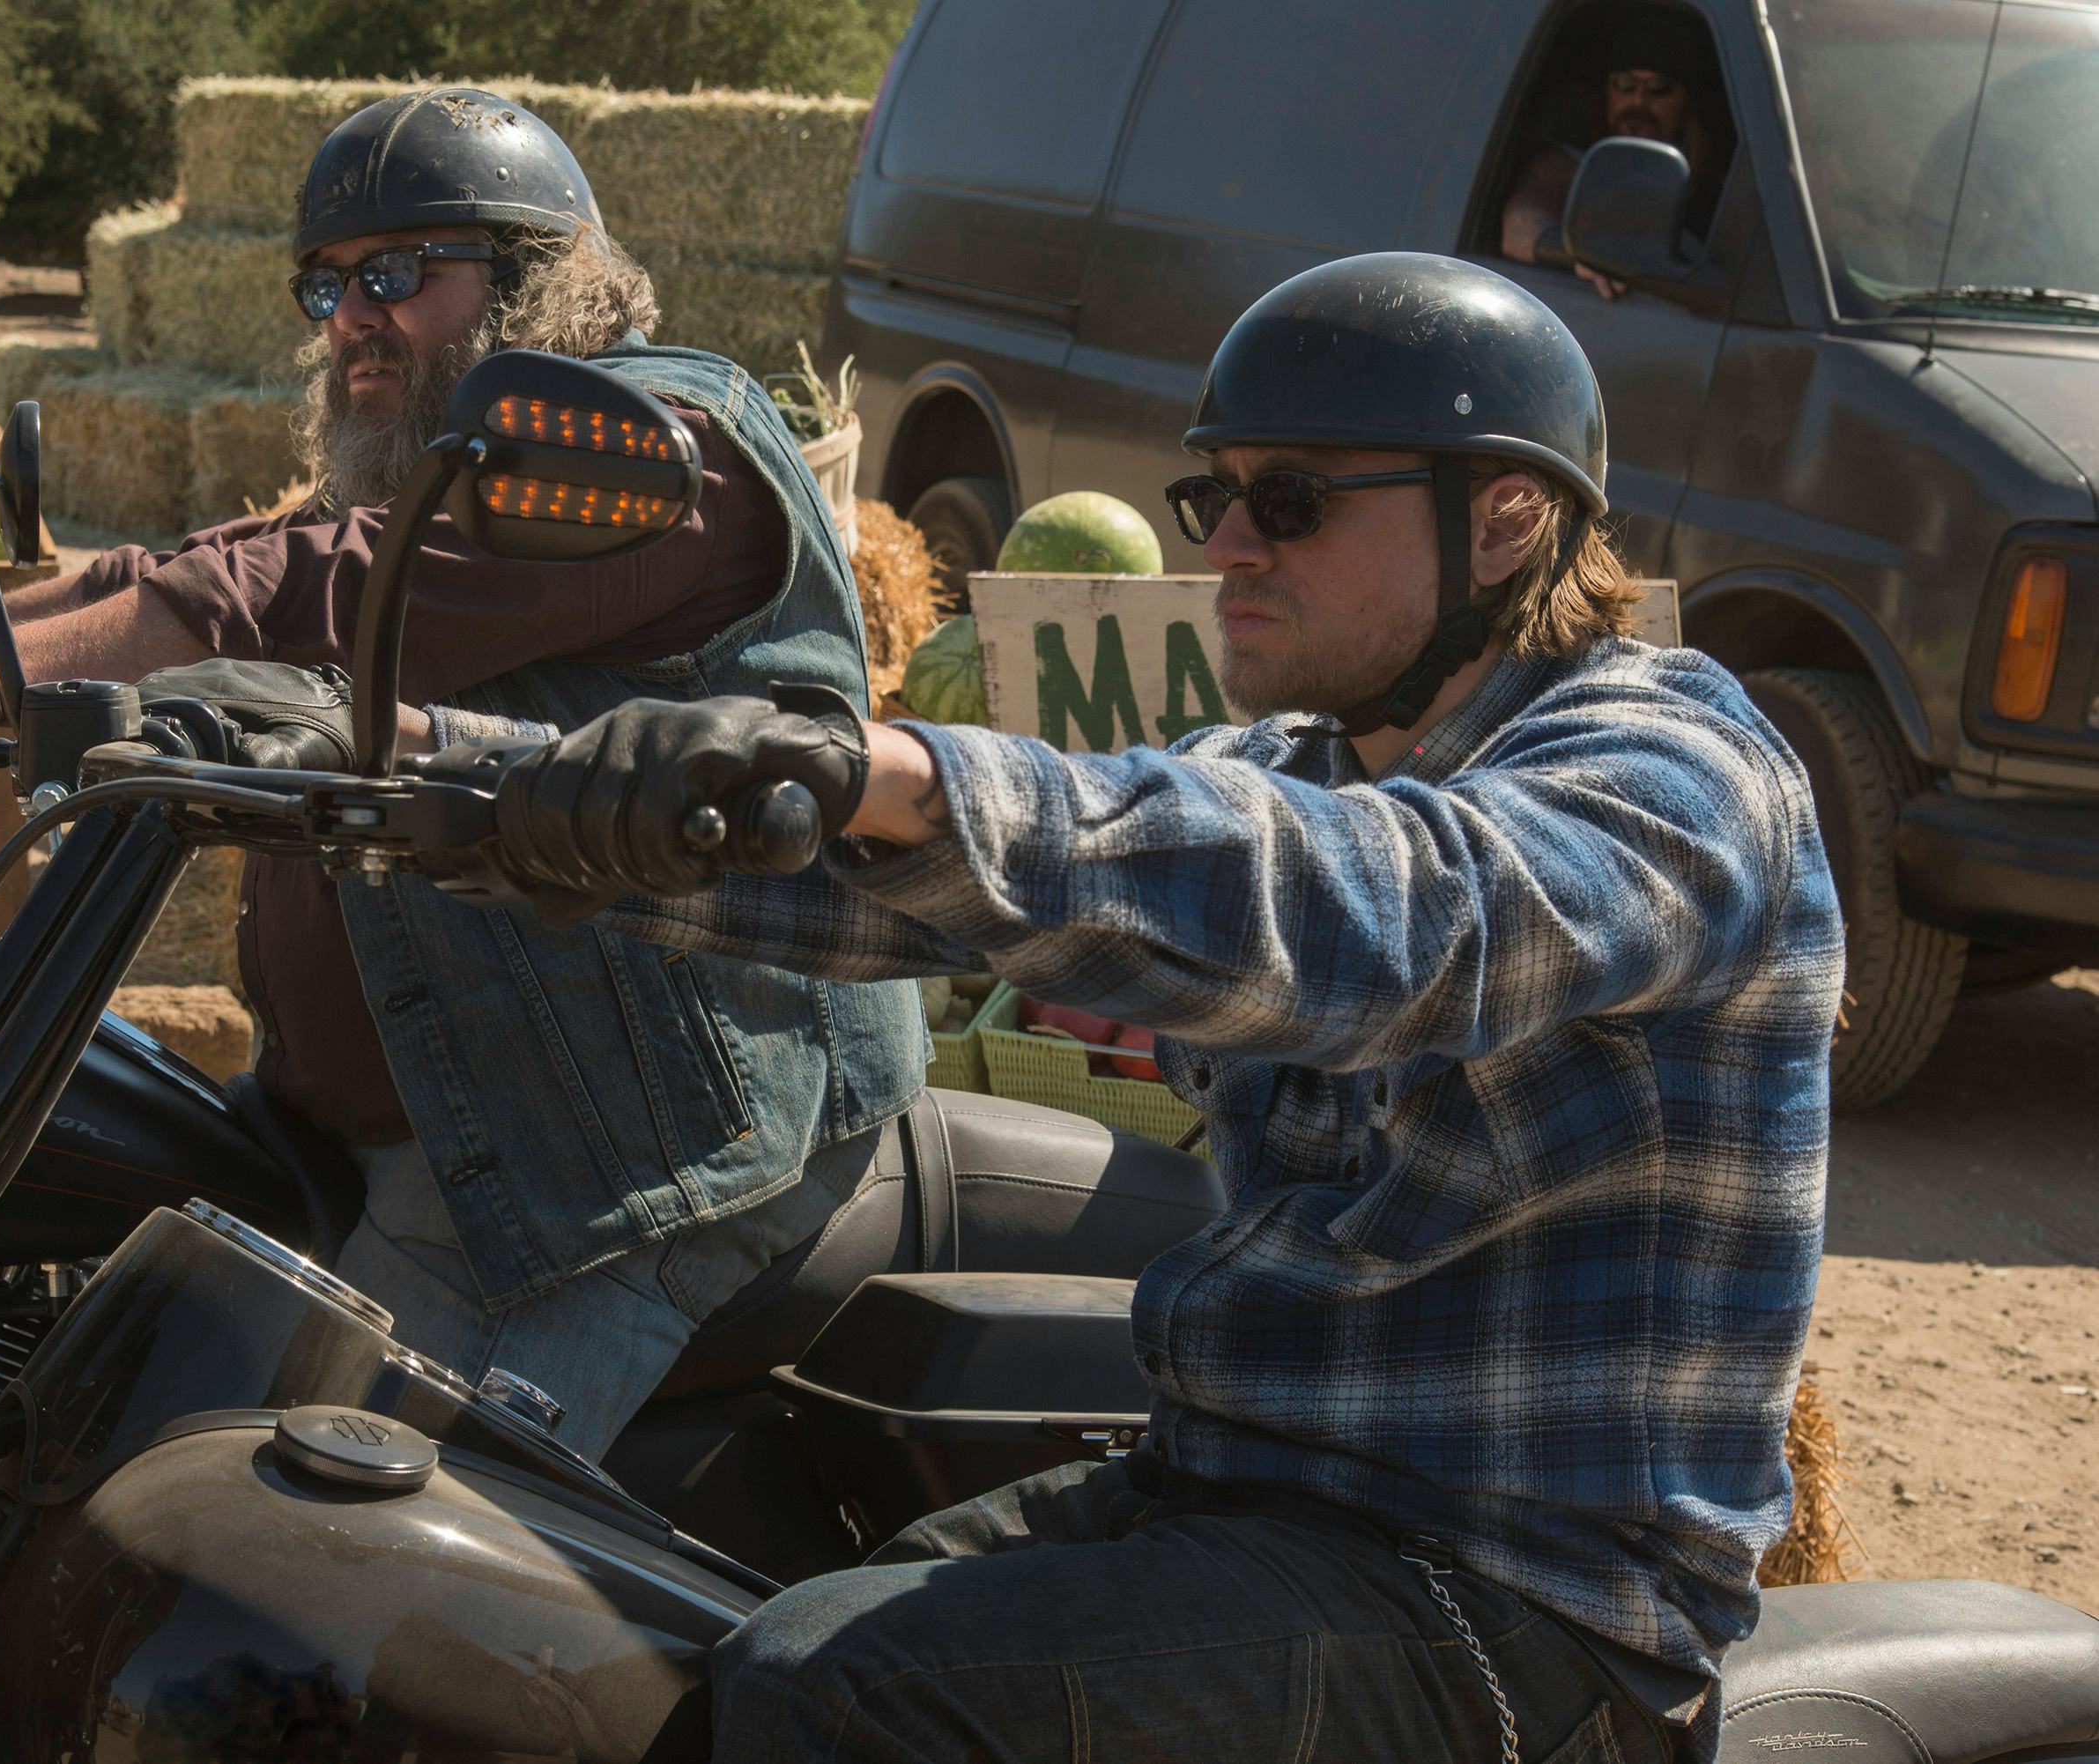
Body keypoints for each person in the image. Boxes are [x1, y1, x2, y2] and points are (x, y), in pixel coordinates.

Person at [454, 254, 1843, 1760]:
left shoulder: (1676, 770)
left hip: (1522, 1605)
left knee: (837, 1691)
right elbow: (885, 887)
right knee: (730, 1644)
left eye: (1291, 500)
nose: (1230, 545)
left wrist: (896, 768)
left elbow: (1401, 917)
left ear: (1505, 516)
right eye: (1215, 498)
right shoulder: (1299, 761)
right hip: (1249, 1498)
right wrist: (463, 786)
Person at [0, 88, 925, 1460]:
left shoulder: (653, 454)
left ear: (538, 279)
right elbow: (181, 573)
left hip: (604, 1158)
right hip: (390, 1129)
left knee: (283, 1543)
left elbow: (313, 593)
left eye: (399, 272)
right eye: (328, 283)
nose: (352, 314)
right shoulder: (443, 468)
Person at [1502, 11, 1721, 299]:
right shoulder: (1571, 165)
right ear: (1607, 91)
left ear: (1686, 102)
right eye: (1625, 84)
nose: (1638, 101)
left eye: (1659, 88)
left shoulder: (1725, 191)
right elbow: (1519, 227)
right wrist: (1584, 256)